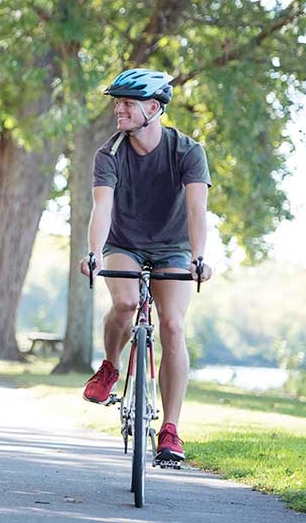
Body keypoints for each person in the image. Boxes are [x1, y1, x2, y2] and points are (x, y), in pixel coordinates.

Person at [78, 68, 213, 463]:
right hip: (125, 244)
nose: (118, 109)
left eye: (127, 103)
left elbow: (196, 210)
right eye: (117, 102)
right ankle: (109, 366)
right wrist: (92, 251)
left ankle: (170, 431)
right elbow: (102, 208)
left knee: (172, 324)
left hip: (174, 247)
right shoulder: (109, 153)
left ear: (153, 108)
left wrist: (198, 257)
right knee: (123, 303)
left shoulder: (188, 151)